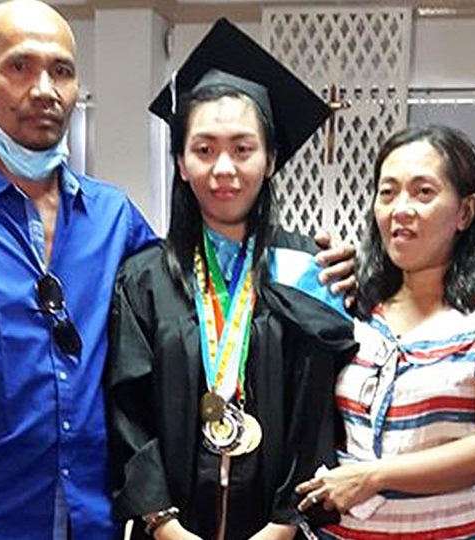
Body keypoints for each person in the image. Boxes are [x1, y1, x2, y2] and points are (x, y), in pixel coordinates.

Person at [0, 3, 355, 539]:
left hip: (97, 517)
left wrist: (345, 273)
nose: (43, 88)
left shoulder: (114, 218)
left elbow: (205, 301)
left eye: (61, 70)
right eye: (19, 67)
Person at [106, 19, 358, 540]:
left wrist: (285, 522)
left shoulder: (308, 269)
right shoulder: (144, 278)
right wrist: (161, 523)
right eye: (203, 149)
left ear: (270, 162)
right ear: (180, 162)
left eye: (243, 149)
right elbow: (127, 411)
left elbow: (316, 412)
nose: (224, 168)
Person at [295, 125, 475, 539]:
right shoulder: (355, 306)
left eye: (424, 192)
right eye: (388, 192)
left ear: (465, 212)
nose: (401, 208)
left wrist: (373, 477)